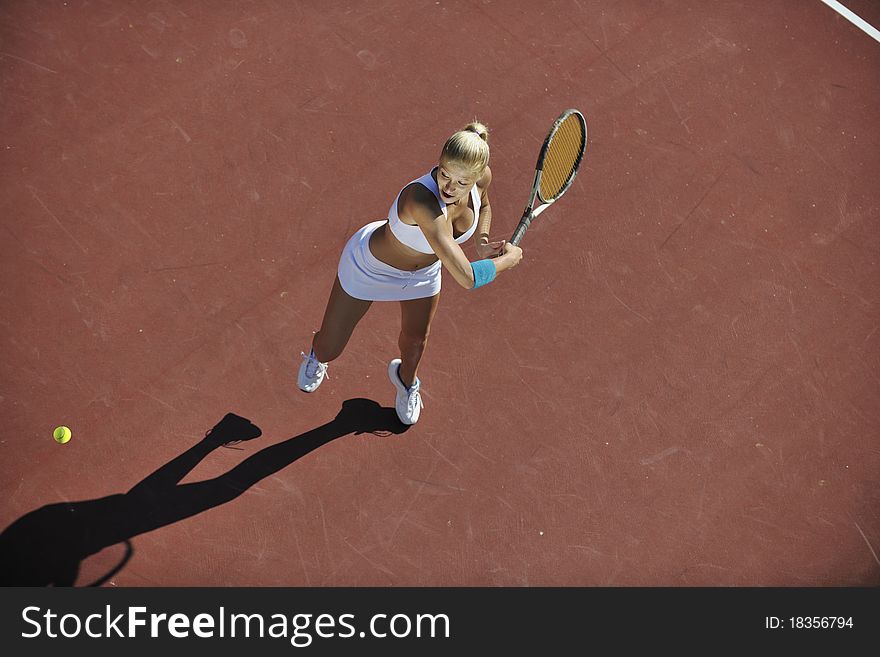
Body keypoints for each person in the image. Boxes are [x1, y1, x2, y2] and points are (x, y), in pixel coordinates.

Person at [297, 121, 523, 425]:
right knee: (330, 347)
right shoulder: (421, 201)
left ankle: (405, 382)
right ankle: (317, 353)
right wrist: (508, 261)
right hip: (370, 267)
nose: (448, 187)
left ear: (477, 176)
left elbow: (484, 207)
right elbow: (467, 278)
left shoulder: (482, 178)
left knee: (416, 341)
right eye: (444, 174)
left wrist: (482, 243)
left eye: (460, 182)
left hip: (424, 274)